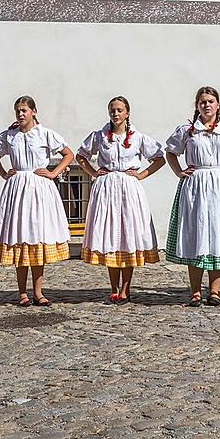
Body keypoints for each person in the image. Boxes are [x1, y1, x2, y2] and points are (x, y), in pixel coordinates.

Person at [165, 86, 220, 307]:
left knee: (218, 234)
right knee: (196, 235)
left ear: (218, 104)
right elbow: (170, 151)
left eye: (210, 101)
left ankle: (215, 291)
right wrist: (179, 171)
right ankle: (195, 291)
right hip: (196, 185)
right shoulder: (187, 130)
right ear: (197, 105)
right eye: (202, 101)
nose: (206, 105)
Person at [76, 96, 166, 304]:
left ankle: (126, 288)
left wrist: (141, 175)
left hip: (128, 188)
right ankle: (114, 287)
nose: (115, 114)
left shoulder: (138, 137)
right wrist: (93, 172)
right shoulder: (100, 136)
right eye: (112, 110)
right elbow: (81, 155)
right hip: (107, 188)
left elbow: (159, 157)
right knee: (110, 235)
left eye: (119, 110)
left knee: (128, 234)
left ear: (127, 113)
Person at [0, 96, 74, 307]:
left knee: (37, 239)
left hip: (39, 188)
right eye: (18, 110)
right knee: (20, 239)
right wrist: (4, 174)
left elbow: (68, 154)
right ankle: (22, 293)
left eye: (24, 110)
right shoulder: (10, 136)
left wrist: (54, 173)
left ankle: (38, 291)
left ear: (33, 111)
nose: (20, 114)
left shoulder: (44, 134)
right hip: (18, 189)